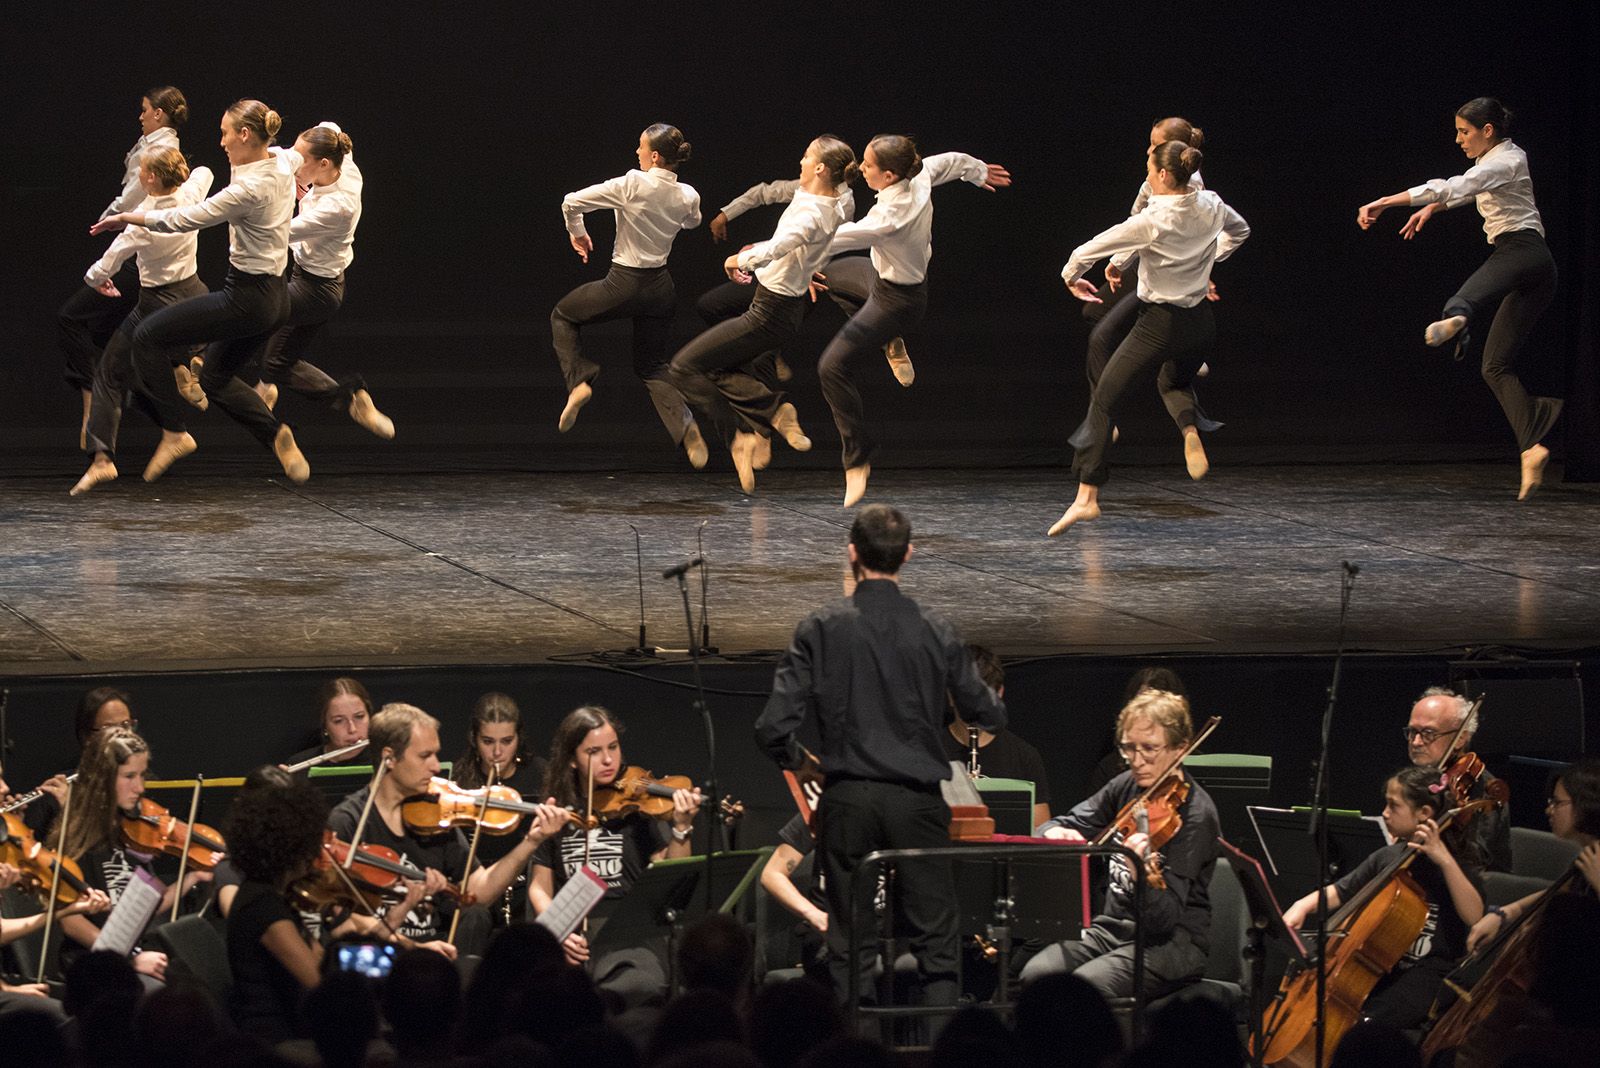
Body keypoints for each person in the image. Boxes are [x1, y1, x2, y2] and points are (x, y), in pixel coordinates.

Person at [754, 503, 1006, 1018]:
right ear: (908, 555)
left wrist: (799, 759)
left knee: (851, 944)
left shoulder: (820, 627)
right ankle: (938, 1051)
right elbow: (986, 711)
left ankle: (858, 1051)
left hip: (846, 800)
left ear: (851, 553)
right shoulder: (935, 628)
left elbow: (772, 726)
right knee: (938, 940)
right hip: (916, 804)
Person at [89, 98, 307, 484]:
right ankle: (276, 435)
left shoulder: (248, 190)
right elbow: (304, 147)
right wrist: (328, 155)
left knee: (147, 336)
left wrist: (127, 216)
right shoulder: (281, 161)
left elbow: (182, 218)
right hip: (277, 299)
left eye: (225, 134)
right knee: (215, 381)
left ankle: (174, 432)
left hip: (246, 298)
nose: (221, 142)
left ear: (244, 135)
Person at [1357, 97, 1561, 500]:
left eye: (1464, 132)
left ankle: (1457, 317)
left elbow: (1458, 185)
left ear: (1488, 131)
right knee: (1495, 366)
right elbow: (1466, 189)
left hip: (1523, 252)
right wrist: (1433, 209)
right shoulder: (1496, 163)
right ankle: (1532, 448)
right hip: (1535, 268)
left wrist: (1387, 201)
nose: (1458, 140)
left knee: (1463, 301)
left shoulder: (1508, 161)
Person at [1050, 141, 1249, 535]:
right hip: (1202, 324)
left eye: (1148, 164)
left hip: (1159, 325)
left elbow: (1090, 248)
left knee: (1104, 402)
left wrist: (1070, 277)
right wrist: (1210, 257)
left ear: (1162, 174)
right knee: (1173, 381)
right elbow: (1241, 231)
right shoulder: (1211, 203)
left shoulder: (1152, 220)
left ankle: (1086, 499)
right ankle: (1190, 430)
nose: (1145, 169)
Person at [816, 135, 1010, 506]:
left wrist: (756, 256)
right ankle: (889, 341)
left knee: (830, 367)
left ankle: (857, 459)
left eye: (868, 166)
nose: (861, 169)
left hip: (897, 302)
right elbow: (952, 160)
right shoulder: (918, 175)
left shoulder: (888, 218)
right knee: (829, 278)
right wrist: (978, 171)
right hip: (875, 278)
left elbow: (825, 239)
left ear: (888, 176)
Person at [670, 136, 859, 493]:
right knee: (719, 363)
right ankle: (766, 418)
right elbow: (806, 240)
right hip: (779, 304)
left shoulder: (813, 212)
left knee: (682, 369)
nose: (800, 161)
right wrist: (804, 266)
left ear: (820, 168)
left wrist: (738, 259)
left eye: (806, 156)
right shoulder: (829, 197)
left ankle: (764, 417)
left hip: (769, 311)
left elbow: (782, 244)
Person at [326, 702, 566, 957]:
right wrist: (414, 948)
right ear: (389, 758)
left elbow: (478, 892)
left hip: (432, 959)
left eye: (435, 754)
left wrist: (531, 841)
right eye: (424, 756)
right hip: (373, 961)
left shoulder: (435, 813)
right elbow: (344, 920)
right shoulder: (348, 822)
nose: (436, 767)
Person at [1023, 689, 1219, 1000]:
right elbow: (1056, 823)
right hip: (1112, 929)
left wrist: (1140, 873)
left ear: (1181, 749)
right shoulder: (1126, 785)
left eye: (1149, 749)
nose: (1137, 761)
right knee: (1036, 974)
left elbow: (1164, 920)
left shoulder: (1195, 814)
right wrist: (1054, 832)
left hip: (1173, 942)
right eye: (1129, 748)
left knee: (1091, 985)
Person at [1280, 764, 1485, 1028]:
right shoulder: (1389, 857)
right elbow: (1342, 891)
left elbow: (1475, 915)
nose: (1385, 813)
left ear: (1424, 813)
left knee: (1369, 1021)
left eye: (1393, 806)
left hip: (1427, 973)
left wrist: (1444, 860)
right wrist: (1302, 905)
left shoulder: (1456, 867)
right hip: (1381, 967)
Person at [552, 124, 707, 467]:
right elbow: (693, 222)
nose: (635, 152)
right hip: (662, 288)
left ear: (654, 156)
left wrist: (577, 233)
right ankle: (685, 427)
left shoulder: (632, 183)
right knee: (652, 365)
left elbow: (571, 202)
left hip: (624, 283)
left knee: (563, 316)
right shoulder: (688, 194)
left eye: (640, 147)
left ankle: (579, 381)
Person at [528, 704, 702, 1006]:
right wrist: (558, 930)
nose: (608, 760)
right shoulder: (558, 812)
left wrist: (681, 827)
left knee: (633, 986)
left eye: (613, 747)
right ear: (572, 760)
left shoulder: (639, 809)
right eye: (593, 752)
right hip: (578, 930)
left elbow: (670, 874)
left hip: (630, 932)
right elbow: (539, 887)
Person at [71, 147, 214, 495]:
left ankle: (104, 460)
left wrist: (95, 278)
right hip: (194, 292)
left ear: (150, 178)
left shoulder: (143, 218)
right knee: (145, 360)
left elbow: (109, 261)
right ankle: (192, 361)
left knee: (108, 372)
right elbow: (206, 172)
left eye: (142, 171)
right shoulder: (191, 195)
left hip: (158, 301)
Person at [59, 86, 187, 450]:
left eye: (145, 110)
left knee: (71, 318)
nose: (141, 115)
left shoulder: (156, 151)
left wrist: (107, 220)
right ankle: (169, 419)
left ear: (159, 114)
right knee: (110, 341)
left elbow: (131, 198)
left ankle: (92, 402)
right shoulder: (163, 146)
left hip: (135, 255)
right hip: (139, 253)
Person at [249, 122, 394, 441]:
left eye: (302, 160)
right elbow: (329, 126)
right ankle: (351, 398)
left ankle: (257, 387)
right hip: (312, 280)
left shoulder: (337, 207)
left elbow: (279, 231)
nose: (295, 163)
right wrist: (270, 154)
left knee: (255, 311)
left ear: (324, 165)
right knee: (278, 362)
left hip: (316, 290)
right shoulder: (344, 161)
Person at [1088, 118, 1220, 466]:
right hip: (1148, 260)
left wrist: (1116, 261)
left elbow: (1152, 227)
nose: (1148, 150)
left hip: (1156, 269)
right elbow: (1138, 220)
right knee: (1094, 311)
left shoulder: (1186, 187)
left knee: (1102, 336)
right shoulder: (1169, 177)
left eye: (1154, 144)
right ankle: (1176, 358)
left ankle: (1103, 417)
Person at [46, 728, 212, 982]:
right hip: (92, 962)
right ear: (103, 779)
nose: (140, 787)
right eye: (129, 776)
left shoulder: (135, 833)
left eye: (142, 775)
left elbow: (147, 907)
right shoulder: (75, 839)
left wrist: (192, 878)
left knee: (198, 978)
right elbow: (71, 921)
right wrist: (129, 959)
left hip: (130, 953)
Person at [223, 769, 328, 1045]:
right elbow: (319, 985)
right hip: (276, 1043)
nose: (316, 855)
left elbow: (318, 957)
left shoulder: (273, 896)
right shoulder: (264, 908)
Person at [1465, 757, 1600, 955]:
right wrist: (1505, 913)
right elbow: (1561, 891)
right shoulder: (1590, 854)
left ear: (1586, 804)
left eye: (1557, 802)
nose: (1548, 810)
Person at [452, 691, 548, 924]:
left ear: (518, 738)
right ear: (474, 738)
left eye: (507, 741)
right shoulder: (459, 781)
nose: (497, 752)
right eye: (488, 742)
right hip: (478, 887)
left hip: (528, 886)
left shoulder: (541, 774)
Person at [941, 643, 1050, 829]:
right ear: (950, 696)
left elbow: (1040, 828)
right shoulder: (926, 751)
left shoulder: (1023, 755)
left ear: (999, 694)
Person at [1404, 686, 1511, 872]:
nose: (1416, 742)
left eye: (1428, 733)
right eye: (1413, 732)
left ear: (1460, 739)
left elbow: (1477, 860)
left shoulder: (1482, 789)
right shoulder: (1417, 779)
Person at [282, 676, 373, 771]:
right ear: (325, 725)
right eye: (339, 721)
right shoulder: (299, 765)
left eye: (359, 717)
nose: (352, 729)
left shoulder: (385, 761)